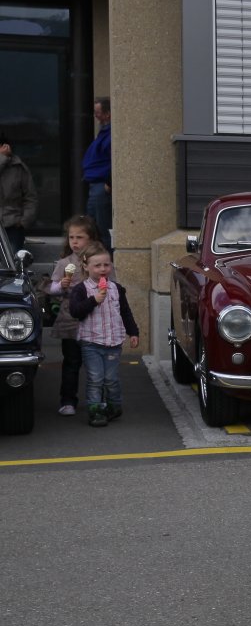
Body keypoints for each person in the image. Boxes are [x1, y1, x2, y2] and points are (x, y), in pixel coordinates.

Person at [67, 243, 139, 427]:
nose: (102, 269)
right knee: (95, 378)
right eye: (97, 265)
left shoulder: (116, 288)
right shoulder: (81, 289)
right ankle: (95, 410)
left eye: (106, 264)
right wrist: (94, 300)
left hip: (113, 342)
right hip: (91, 342)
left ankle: (114, 406)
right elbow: (75, 311)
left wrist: (133, 332)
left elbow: (125, 312)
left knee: (111, 379)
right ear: (86, 266)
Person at [47, 215, 104, 416]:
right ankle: (68, 400)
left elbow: (112, 285)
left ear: (91, 239)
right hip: (70, 320)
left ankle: (97, 400)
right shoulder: (64, 263)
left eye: (80, 237)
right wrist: (60, 286)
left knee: (96, 364)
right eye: (71, 237)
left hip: (95, 319)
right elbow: (52, 289)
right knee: (71, 362)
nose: (75, 242)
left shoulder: (100, 261)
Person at [0, 133, 38, 255]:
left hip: (13, 224)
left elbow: (30, 197)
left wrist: (24, 222)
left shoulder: (18, 167)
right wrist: (2, 160)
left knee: (12, 260)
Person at [84, 97, 113, 250]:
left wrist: (109, 182)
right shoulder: (104, 133)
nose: (95, 116)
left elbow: (116, 160)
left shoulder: (110, 135)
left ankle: (106, 261)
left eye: (98, 112)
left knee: (102, 230)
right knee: (93, 228)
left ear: (108, 114)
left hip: (101, 186)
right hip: (96, 185)